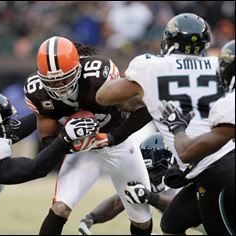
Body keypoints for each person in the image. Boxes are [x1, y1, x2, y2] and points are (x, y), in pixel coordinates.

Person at [95, 13, 235, 234]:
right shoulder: (218, 63)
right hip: (214, 158)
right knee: (172, 224)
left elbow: (103, 97)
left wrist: (142, 95)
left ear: (168, 41)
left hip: (215, 168)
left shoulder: (150, 66)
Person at [24, 36, 154, 235]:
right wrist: (67, 142)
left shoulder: (97, 78)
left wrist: (111, 138)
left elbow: (145, 109)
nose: (60, 86)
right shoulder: (39, 92)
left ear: (78, 69)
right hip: (83, 152)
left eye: (66, 78)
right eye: (53, 81)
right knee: (60, 207)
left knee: (141, 218)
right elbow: (47, 141)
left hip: (119, 146)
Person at [0, 91, 98, 235]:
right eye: (5, 122)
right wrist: (66, 137)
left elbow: (13, 131)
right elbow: (35, 169)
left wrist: (51, 109)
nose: (10, 125)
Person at [159, 39, 235, 235]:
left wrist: (177, 128)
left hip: (224, 174)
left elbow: (188, 153)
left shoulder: (228, 103)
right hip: (219, 168)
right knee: (171, 223)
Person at [78, 132, 177, 235]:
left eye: (156, 169)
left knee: (170, 227)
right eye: (147, 170)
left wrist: (149, 197)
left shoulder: (184, 175)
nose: (150, 175)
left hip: (193, 218)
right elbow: (117, 202)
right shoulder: (150, 179)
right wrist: (90, 218)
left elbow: (180, 209)